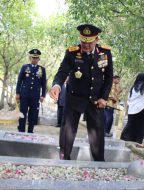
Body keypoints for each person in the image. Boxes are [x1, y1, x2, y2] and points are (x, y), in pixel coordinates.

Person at [49, 24, 113, 161]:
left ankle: (98, 163)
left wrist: (104, 97)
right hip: (74, 98)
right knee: (67, 133)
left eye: (89, 42)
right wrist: (56, 85)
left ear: (96, 39)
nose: (86, 45)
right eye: (83, 41)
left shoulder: (105, 53)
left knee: (97, 136)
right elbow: (62, 72)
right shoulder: (72, 52)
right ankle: (64, 160)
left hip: (95, 100)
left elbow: (108, 77)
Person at [16, 49, 47, 133]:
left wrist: (43, 95)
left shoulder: (42, 69)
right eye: (33, 57)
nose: (34, 59)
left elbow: (44, 83)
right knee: (22, 113)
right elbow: (19, 81)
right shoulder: (25, 67)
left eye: (36, 58)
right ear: (30, 58)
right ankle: (21, 130)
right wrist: (17, 93)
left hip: (35, 96)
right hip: (24, 95)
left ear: (39, 59)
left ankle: (30, 131)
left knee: (33, 115)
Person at [120, 73, 144, 148]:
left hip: (132, 109)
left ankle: (123, 138)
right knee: (141, 126)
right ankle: (139, 143)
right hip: (141, 109)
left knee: (130, 124)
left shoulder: (133, 87)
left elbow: (129, 98)